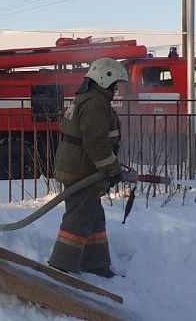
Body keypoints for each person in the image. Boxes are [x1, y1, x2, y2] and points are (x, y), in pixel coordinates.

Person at [48, 58, 127, 278]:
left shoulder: (90, 99)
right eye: (115, 84)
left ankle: (96, 264)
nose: (116, 88)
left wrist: (111, 166)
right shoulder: (94, 103)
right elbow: (96, 142)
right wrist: (111, 167)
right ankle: (60, 266)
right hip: (81, 169)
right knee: (79, 217)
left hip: (80, 166)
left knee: (93, 216)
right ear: (105, 79)